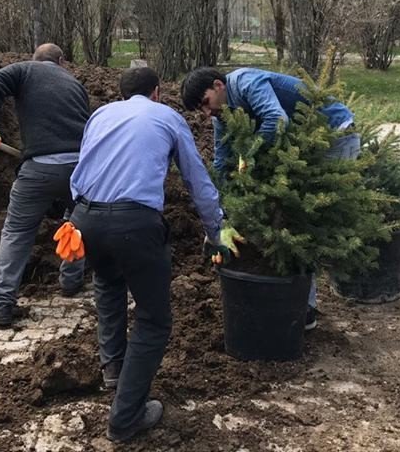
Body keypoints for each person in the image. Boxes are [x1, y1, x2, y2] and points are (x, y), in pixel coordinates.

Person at [69, 67, 239, 443]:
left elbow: (82, 170)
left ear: (121, 93)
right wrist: (217, 231)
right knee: (153, 319)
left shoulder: (100, 114)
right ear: (158, 93)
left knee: (108, 284)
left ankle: (114, 371)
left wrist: (79, 221)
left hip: (85, 216)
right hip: (135, 223)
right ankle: (126, 417)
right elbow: (197, 180)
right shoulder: (167, 116)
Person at [180, 66, 359, 330]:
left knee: (303, 220)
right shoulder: (223, 117)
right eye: (201, 110)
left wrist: (249, 155)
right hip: (299, 147)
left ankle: (305, 308)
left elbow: (277, 119)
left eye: (206, 103)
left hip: (334, 134)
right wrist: (221, 217)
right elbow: (220, 163)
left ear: (218, 85)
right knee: (285, 219)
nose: (207, 113)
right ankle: (296, 301)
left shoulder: (246, 82)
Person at [0, 43, 90, 326]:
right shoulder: (75, 84)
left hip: (40, 168)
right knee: (75, 225)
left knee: (18, 231)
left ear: (35, 59)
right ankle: (71, 282)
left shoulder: (25, 70)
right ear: (61, 62)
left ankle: (1, 303)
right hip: (81, 169)